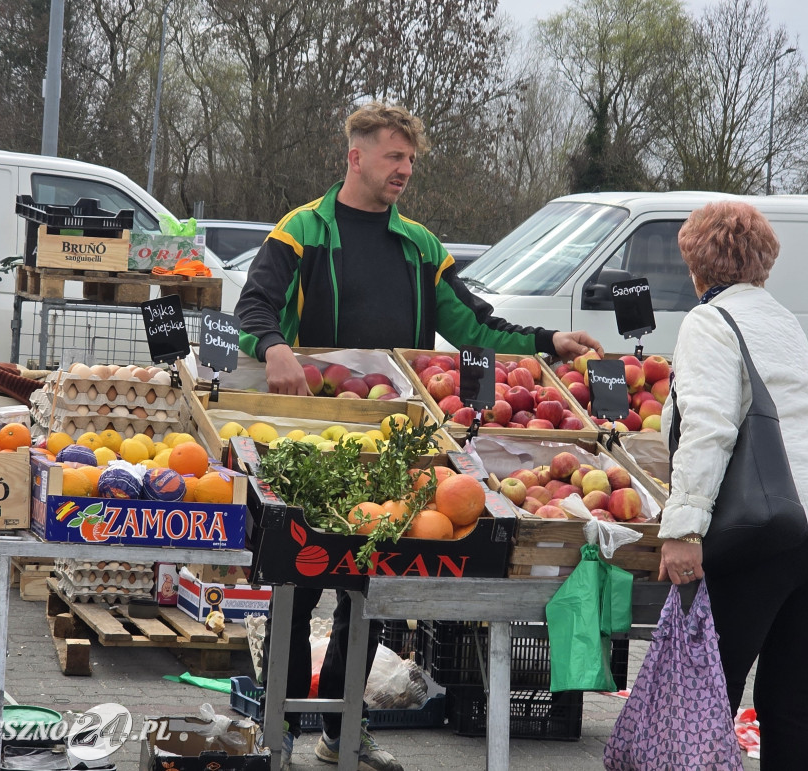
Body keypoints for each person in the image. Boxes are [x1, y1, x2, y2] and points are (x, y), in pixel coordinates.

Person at [236, 101, 603, 771]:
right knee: (299, 583)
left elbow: (474, 327)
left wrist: (550, 341)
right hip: (309, 441)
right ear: (356, 156)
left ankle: (343, 731)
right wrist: (272, 345)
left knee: (373, 586)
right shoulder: (302, 232)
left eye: (410, 159)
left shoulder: (422, 245)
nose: (404, 169)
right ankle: (278, 731)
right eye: (393, 156)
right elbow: (253, 306)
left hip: (397, 440)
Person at [656, 200, 808, 769]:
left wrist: (682, 527)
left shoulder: (709, 321)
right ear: (762, 262)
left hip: (775, 528)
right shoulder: (781, 317)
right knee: (786, 701)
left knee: (709, 699)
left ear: (695, 263)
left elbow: (708, 426)